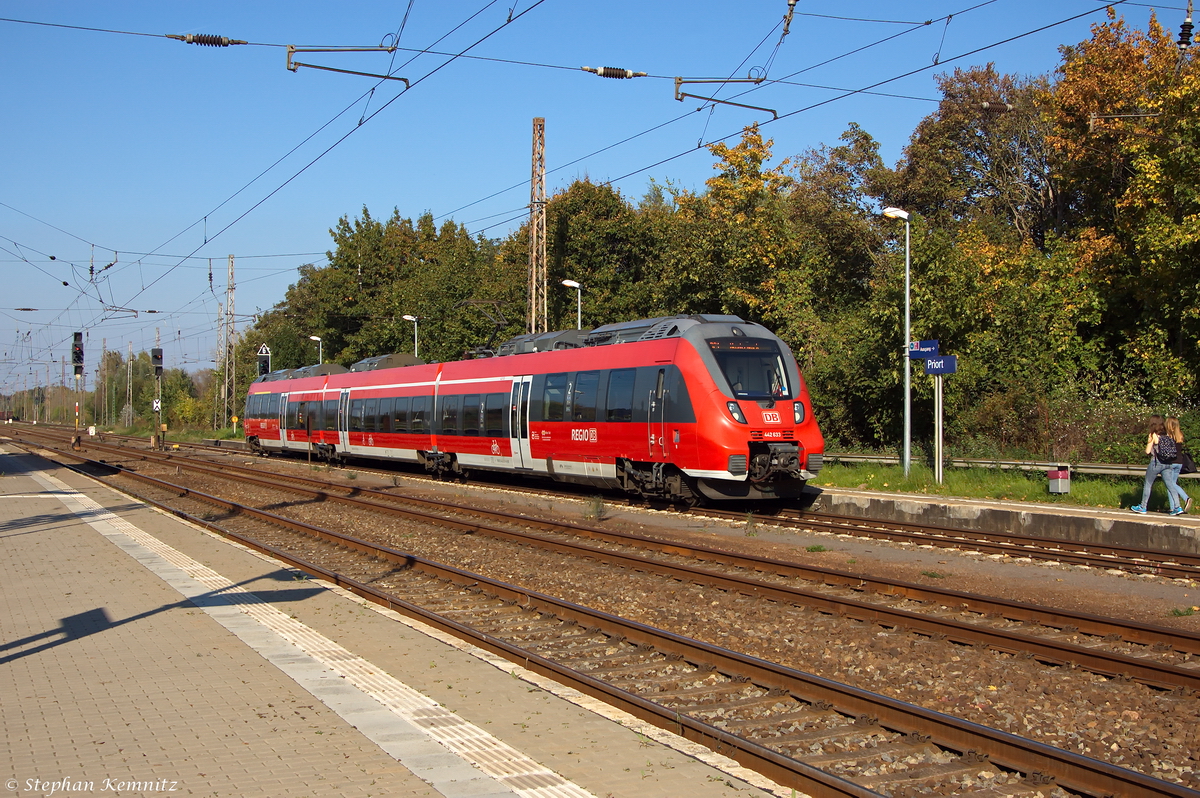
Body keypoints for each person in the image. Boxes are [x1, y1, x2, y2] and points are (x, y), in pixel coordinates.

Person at [1131, 415, 1181, 514]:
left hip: (1156, 463)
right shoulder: (1167, 434)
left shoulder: (1153, 435)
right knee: (1170, 485)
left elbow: (1148, 451)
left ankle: (1143, 506)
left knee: (1148, 484)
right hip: (1168, 463)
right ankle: (1177, 507)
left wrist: (1149, 443)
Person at [1164, 416, 1192, 514]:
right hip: (1179, 463)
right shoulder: (1179, 435)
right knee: (1171, 485)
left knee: (1171, 484)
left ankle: (1186, 498)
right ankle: (1173, 508)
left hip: (1171, 463)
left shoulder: (1168, 436)